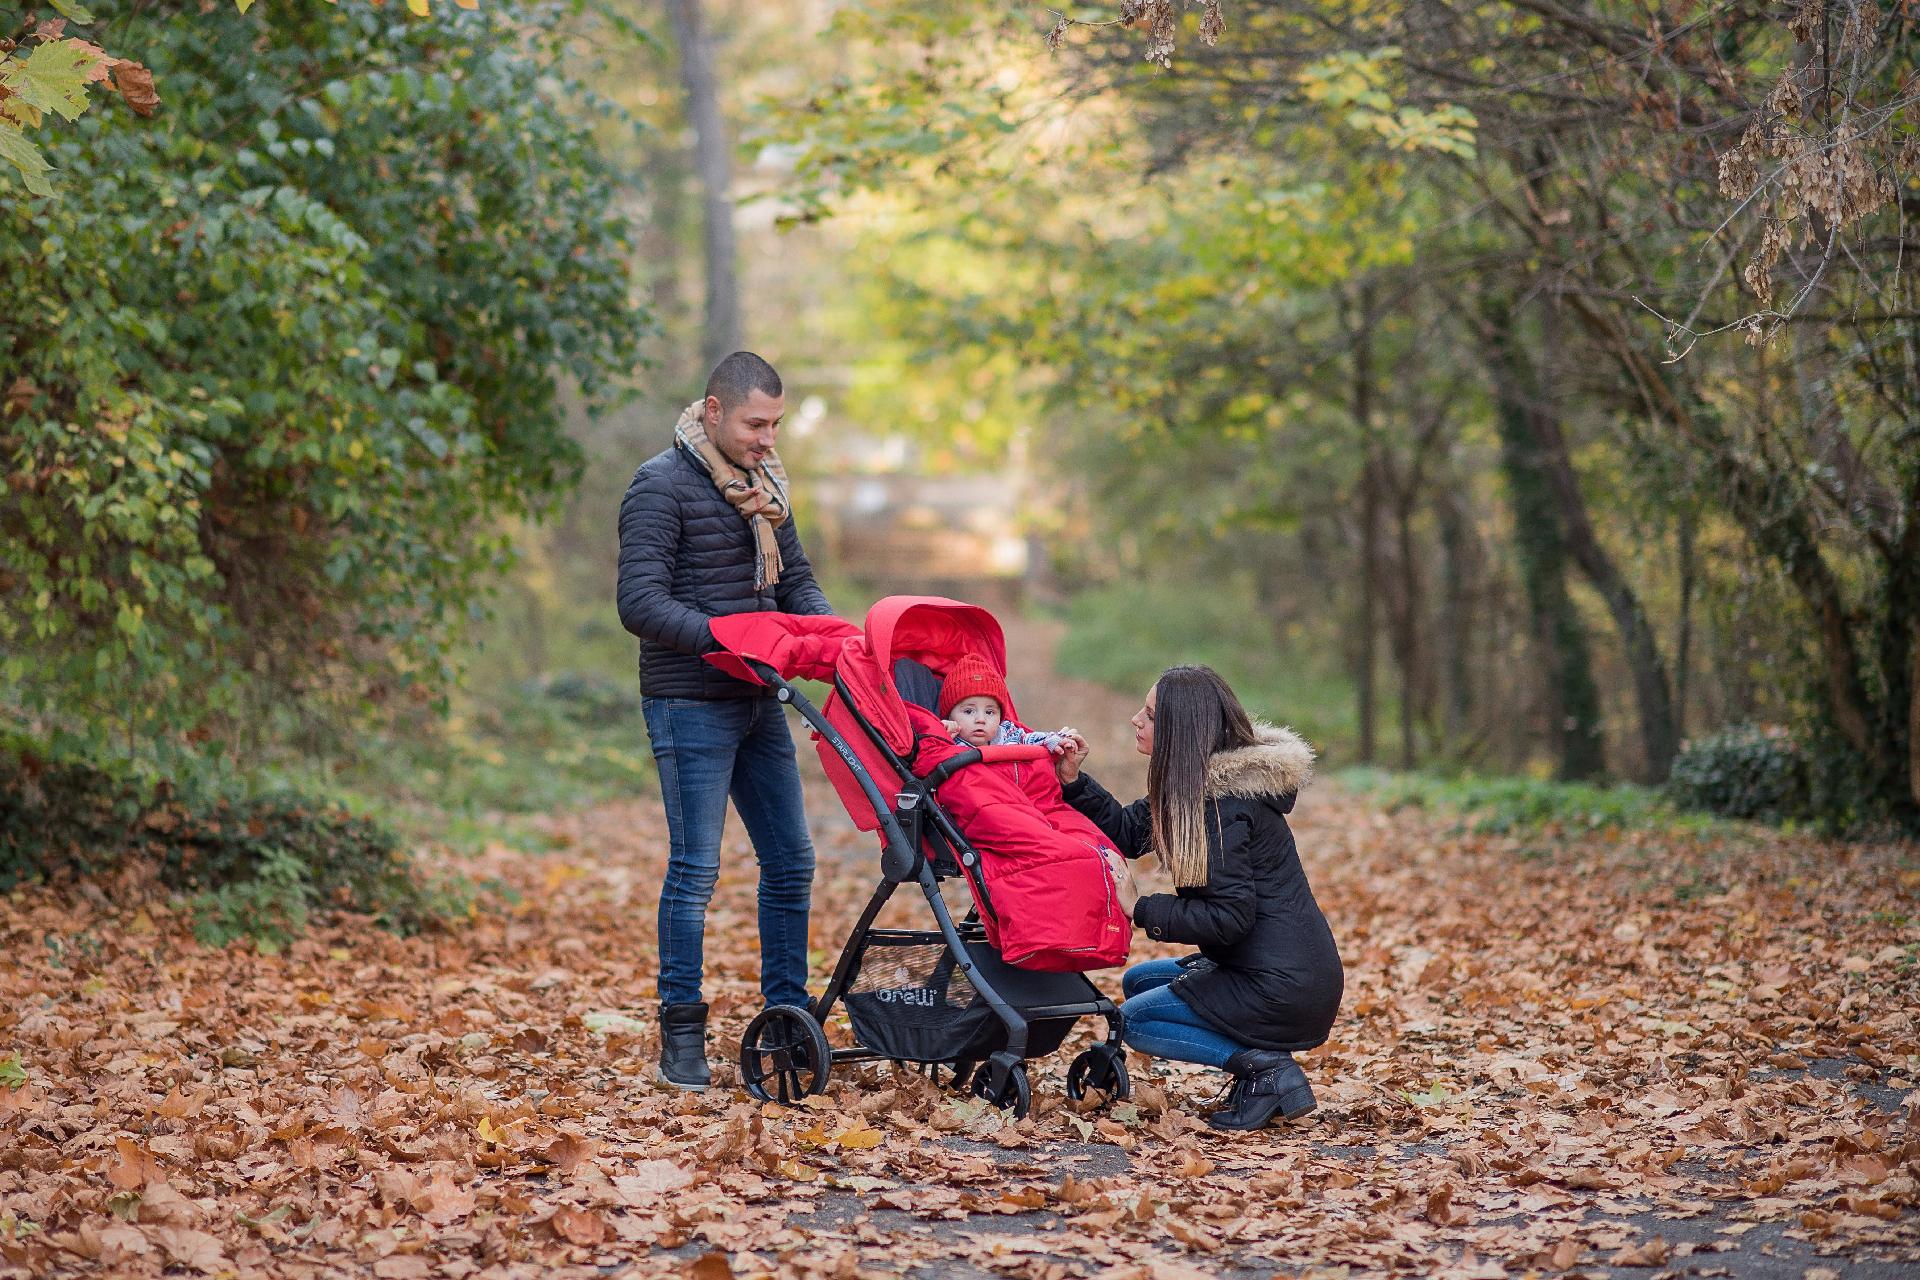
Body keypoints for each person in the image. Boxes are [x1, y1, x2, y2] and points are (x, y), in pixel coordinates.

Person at [615, 351, 835, 1091]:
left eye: (776, 423)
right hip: (689, 702)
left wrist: (831, 637)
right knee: (695, 870)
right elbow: (638, 604)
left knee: (792, 860)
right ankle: (681, 1031)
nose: (769, 437)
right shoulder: (659, 486)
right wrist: (729, 638)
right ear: (713, 412)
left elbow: (796, 581)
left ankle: (785, 1021)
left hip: (758, 702)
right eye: (756, 423)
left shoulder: (767, 488)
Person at [1055, 665, 1342, 1130]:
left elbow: (1228, 918)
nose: (1135, 720)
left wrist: (1140, 907)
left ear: (1178, 733)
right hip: (1278, 970)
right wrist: (1073, 782)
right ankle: (1264, 1059)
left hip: (1281, 987)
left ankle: (1268, 1071)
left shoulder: (1221, 808)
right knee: (1140, 982)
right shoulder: (1195, 783)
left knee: (1136, 1021)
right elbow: (1130, 833)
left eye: (1148, 716)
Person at [938, 653, 1078, 752]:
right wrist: (941, 733)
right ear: (950, 716)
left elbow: (1032, 739)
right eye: (969, 711)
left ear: (1000, 717)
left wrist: (1054, 740)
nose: (981, 719)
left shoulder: (1008, 735)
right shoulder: (948, 741)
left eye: (990, 712)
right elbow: (927, 760)